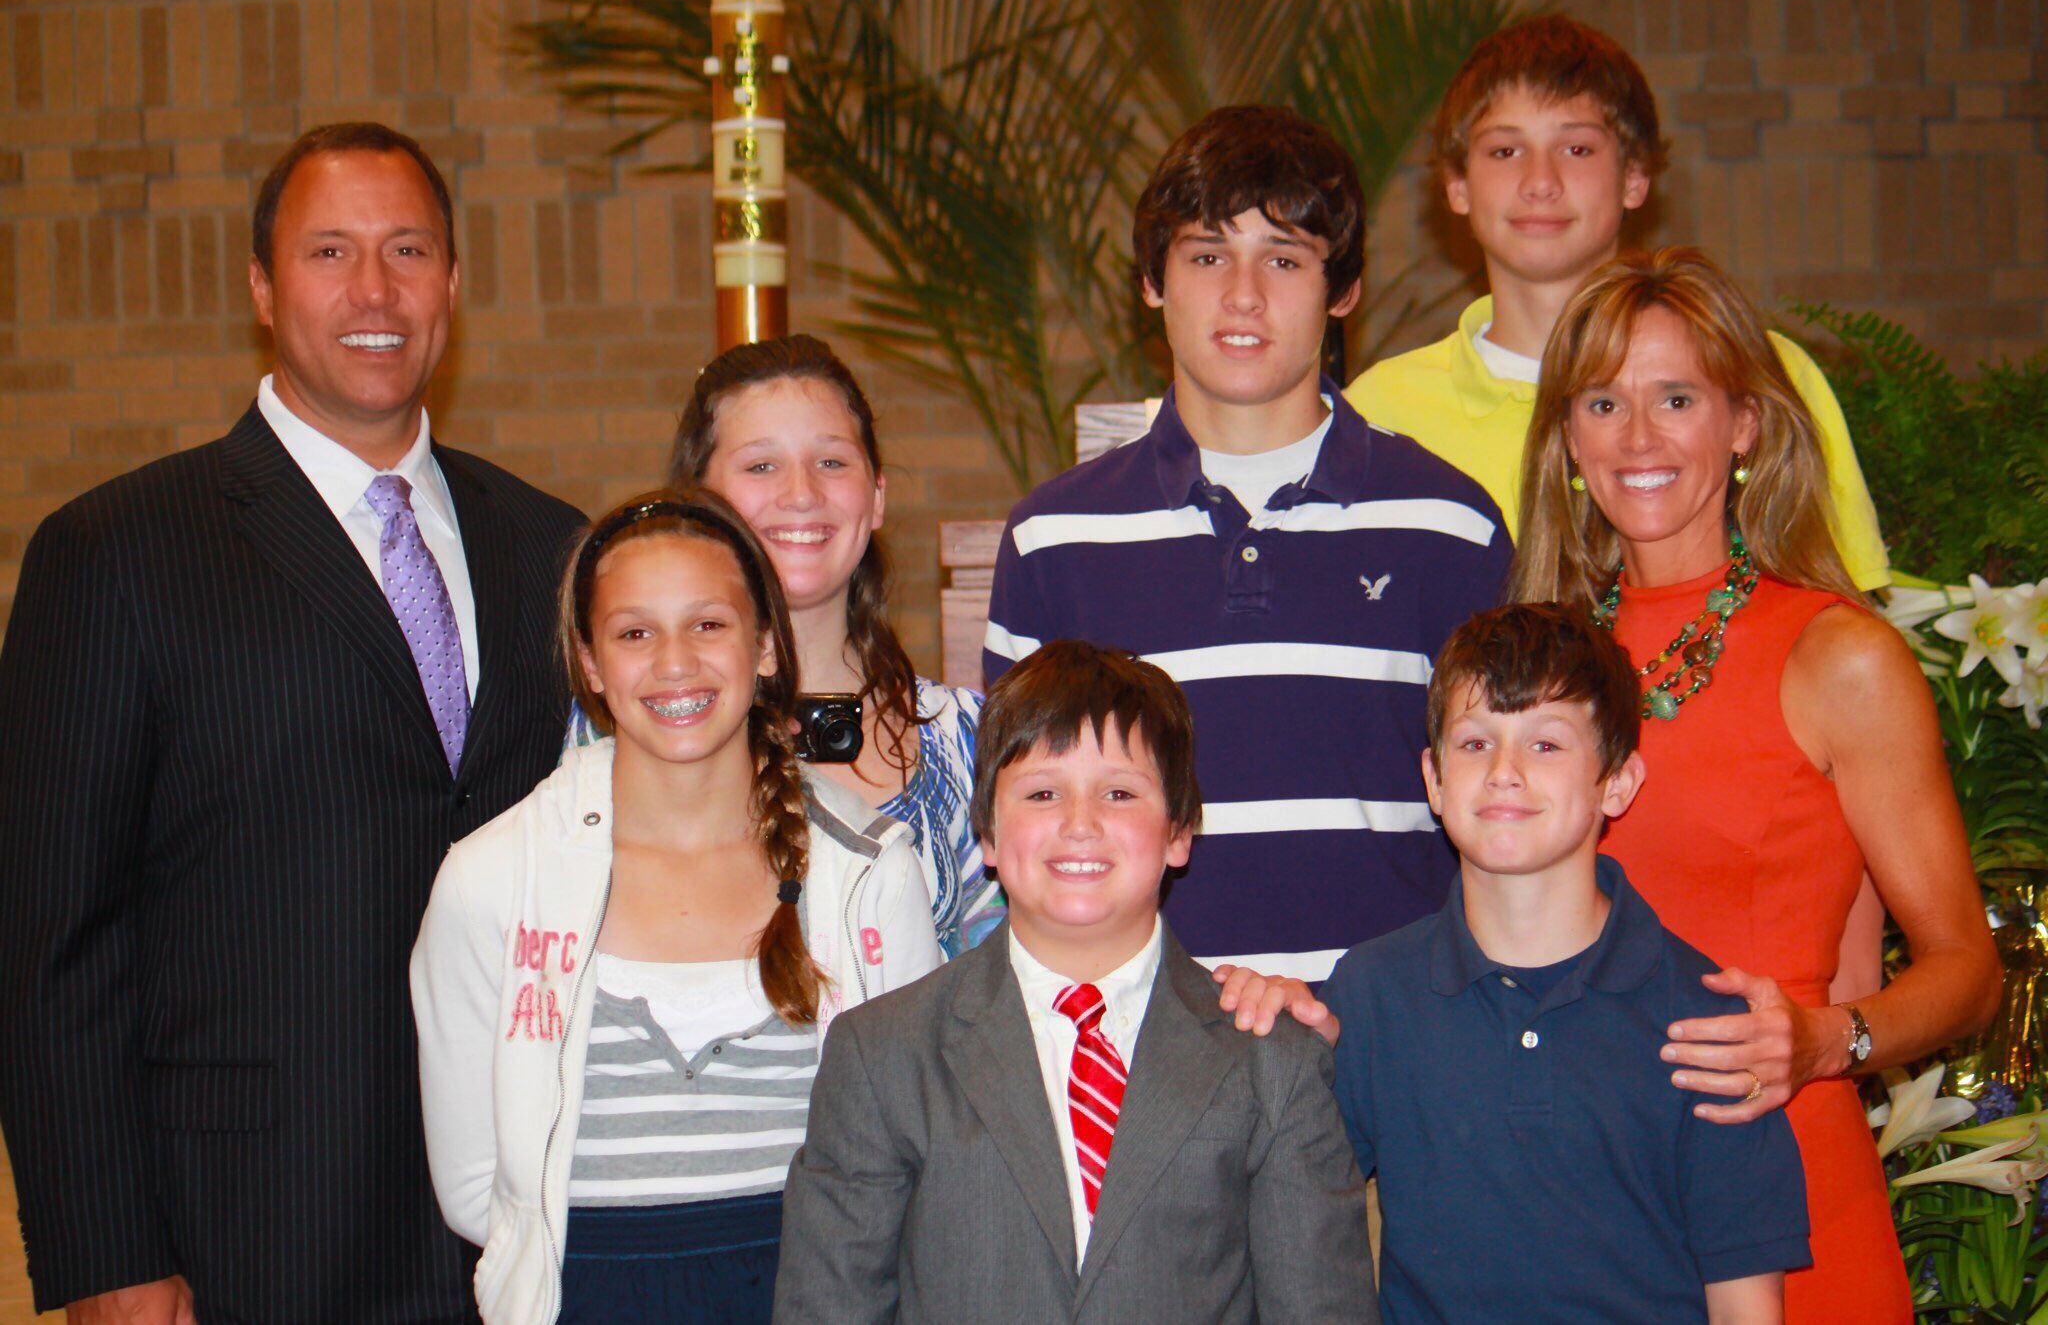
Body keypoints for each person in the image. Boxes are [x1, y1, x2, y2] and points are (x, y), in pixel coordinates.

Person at [0, 123, 585, 1323]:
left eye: (407, 250)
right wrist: (106, 1253)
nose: (374, 290)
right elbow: (49, 940)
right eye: (329, 252)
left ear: (452, 283)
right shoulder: (117, 553)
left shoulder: (550, 546)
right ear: (263, 288)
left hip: (520, 1231)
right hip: (248, 1234)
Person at [1507, 246, 2002, 1322]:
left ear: (1744, 423)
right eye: (1603, 403)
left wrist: (1828, 1038)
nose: (1637, 437)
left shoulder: (1838, 657)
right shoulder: (1529, 667)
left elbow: (1967, 968)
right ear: (1567, 441)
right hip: (1572, 1200)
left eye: (1676, 398)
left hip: (1783, 1181)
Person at [983, 105, 1511, 981]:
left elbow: (1509, 809)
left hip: (1388, 1034)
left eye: (1284, 258)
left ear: (1342, 290)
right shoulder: (1053, 539)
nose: (1243, 295)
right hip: (1143, 1037)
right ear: (1151, 281)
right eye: (1206, 255)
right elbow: (1019, 825)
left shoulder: (1450, 525)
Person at [411, 488, 943, 1324]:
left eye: (708, 624)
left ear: (765, 645)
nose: (674, 662)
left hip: (815, 1296)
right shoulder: (492, 881)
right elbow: (479, 1188)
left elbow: (915, 1149)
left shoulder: (870, 873)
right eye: (634, 633)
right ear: (589, 663)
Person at [776, 640, 1379, 1323]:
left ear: (1179, 831)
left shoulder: (1274, 1061)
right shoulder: (883, 1055)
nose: (1080, 823)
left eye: (1119, 792)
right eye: (1042, 793)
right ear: (987, 833)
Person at [1323, 603, 1811, 1323]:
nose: (1504, 772)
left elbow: (1746, 1307)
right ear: (1434, 778)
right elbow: (1291, 1214)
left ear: (1617, 782)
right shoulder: (1372, 993)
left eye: (1546, 744)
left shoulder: (1710, 1023)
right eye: (1475, 742)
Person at [1343, 14, 1889, 592]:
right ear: (1456, 185)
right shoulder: (1377, 413)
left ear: (1634, 176)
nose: (1540, 181)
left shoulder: (1757, 369)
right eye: (1505, 151)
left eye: (1576, 148)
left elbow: (1842, 616)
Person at [666, 335, 998, 956]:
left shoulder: (969, 741)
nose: (801, 493)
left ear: (877, 496)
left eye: (831, 462)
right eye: (760, 466)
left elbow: (1012, 979)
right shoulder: (625, 727)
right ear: (699, 501)